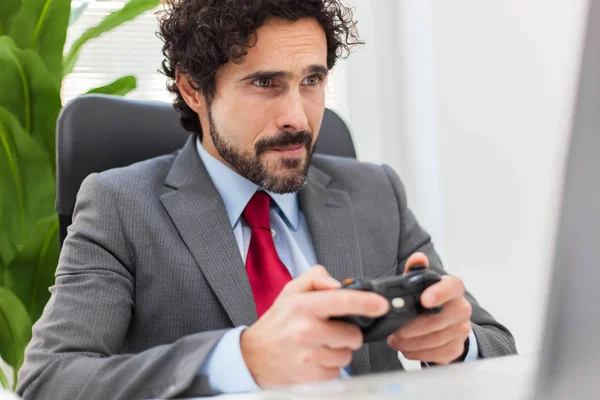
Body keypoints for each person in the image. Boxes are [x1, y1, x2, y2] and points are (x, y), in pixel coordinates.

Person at [17, 0, 516, 399]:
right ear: (195, 89)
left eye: (312, 81)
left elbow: (497, 347)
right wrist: (243, 358)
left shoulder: (374, 191)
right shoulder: (120, 206)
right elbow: (49, 381)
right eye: (265, 83)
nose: (298, 117)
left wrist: (456, 345)